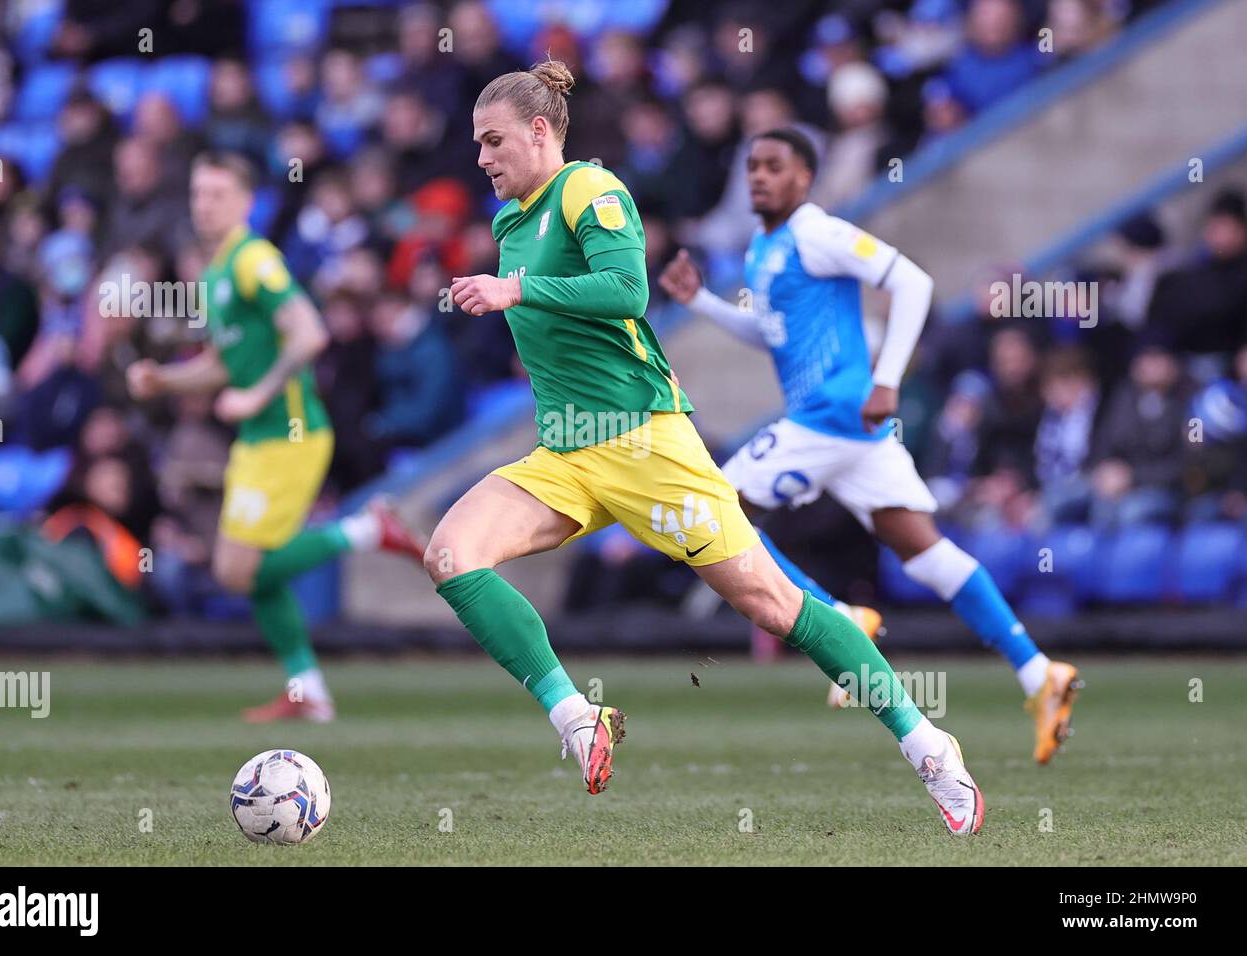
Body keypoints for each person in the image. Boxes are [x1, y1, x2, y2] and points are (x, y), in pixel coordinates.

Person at [430, 61, 983, 834]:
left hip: (646, 446)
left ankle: (928, 746)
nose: (482, 158)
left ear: (540, 131)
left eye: (494, 141)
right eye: (476, 145)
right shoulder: (509, 221)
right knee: (452, 555)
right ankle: (576, 718)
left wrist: (515, 290)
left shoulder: (591, 190)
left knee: (774, 606)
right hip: (566, 454)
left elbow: (629, 293)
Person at [659, 127, 1081, 765]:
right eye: (752, 167)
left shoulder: (817, 231)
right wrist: (706, 304)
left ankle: (837, 615)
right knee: (926, 551)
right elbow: (773, 334)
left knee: (718, 506)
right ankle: (1038, 672)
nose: (759, 178)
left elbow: (912, 282)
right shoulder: (764, 249)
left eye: (774, 166)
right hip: (849, 429)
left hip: (831, 415)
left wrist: (887, 376)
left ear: (806, 178)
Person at [126, 151, 423, 723]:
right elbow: (222, 363)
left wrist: (259, 395)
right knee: (250, 571)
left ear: (244, 202)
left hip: (290, 435)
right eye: (197, 193)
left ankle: (366, 529)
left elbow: (309, 334)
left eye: (215, 194)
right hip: (259, 441)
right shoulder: (214, 274)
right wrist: (166, 380)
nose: (203, 204)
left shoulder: (253, 260)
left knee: (236, 570)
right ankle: (309, 691)